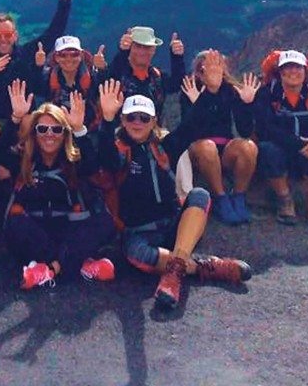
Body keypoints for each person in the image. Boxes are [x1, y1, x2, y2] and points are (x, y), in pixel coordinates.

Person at [96, 80, 252, 309]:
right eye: (131, 117)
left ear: (154, 122)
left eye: (144, 118)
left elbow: (191, 125)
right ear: (123, 120)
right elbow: (106, 156)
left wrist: (211, 91)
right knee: (137, 255)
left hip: (173, 225)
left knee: (199, 194)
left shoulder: (164, 148)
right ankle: (203, 266)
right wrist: (106, 121)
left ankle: (173, 274)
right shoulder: (119, 153)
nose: (137, 123)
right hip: (139, 232)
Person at [0, 82, 115, 289]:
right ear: (34, 133)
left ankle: (48, 269)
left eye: (56, 129)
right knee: (15, 224)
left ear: (65, 133)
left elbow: (96, 164)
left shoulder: (75, 159)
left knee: (104, 222)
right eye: (42, 129)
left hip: (70, 229)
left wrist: (80, 130)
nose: (49, 134)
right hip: (38, 234)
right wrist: (15, 119)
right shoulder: (25, 159)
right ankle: (78, 264)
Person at [255, 50, 308, 228]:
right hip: (283, 151)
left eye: (298, 67)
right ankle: (284, 199)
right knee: (267, 150)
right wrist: (300, 144)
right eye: (287, 67)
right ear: (279, 72)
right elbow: (265, 129)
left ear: (305, 71)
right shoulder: (267, 95)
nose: (293, 72)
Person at [179, 50, 260, 225]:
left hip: (224, 150)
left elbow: (244, 131)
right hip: (199, 150)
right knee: (207, 147)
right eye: (205, 70)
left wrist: (246, 104)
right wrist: (202, 100)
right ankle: (220, 198)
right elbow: (189, 130)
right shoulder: (189, 90)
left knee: (248, 146)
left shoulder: (231, 91)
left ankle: (238, 196)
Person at [104, 27, 185, 128]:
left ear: (154, 49)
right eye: (138, 46)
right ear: (130, 47)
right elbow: (110, 78)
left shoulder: (158, 77)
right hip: (118, 136)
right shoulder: (118, 72)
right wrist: (122, 52)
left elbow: (177, 86)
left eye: (146, 47)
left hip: (153, 137)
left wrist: (177, 58)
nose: (142, 51)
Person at [30, 35, 105, 129]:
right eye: (62, 55)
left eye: (74, 54)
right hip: (55, 131)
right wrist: (38, 67)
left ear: (81, 56)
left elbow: (108, 87)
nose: (69, 59)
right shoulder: (47, 77)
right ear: (56, 57)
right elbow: (35, 89)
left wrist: (102, 69)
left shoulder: (93, 76)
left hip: (89, 129)